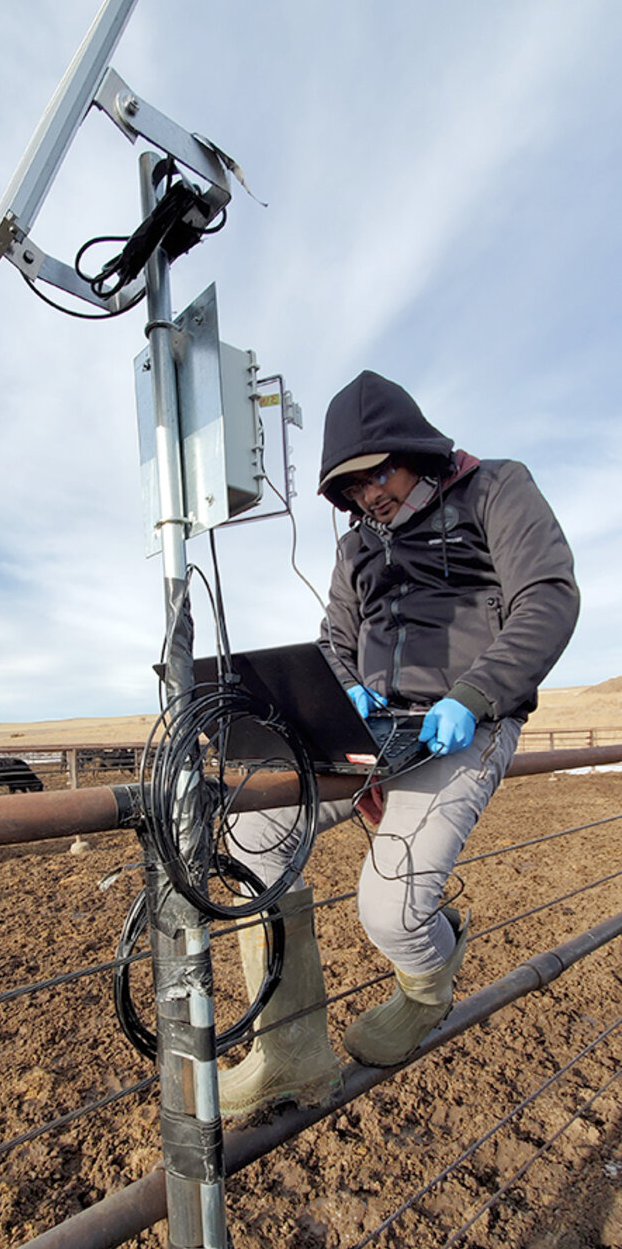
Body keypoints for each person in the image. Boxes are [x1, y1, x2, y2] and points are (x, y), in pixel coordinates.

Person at [219, 370, 580, 1118]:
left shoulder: (498, 490)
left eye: (377, 472)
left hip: (466, 719)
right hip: (373, 727)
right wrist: (344, 687)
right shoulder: (357, 546)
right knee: (251, 834)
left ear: (411, 448)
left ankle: (427, 984)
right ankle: (290, 1048)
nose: (368, 494)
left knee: (389, 911)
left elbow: (547, 595)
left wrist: (472, 697)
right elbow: (335, 638)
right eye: (350, 486)